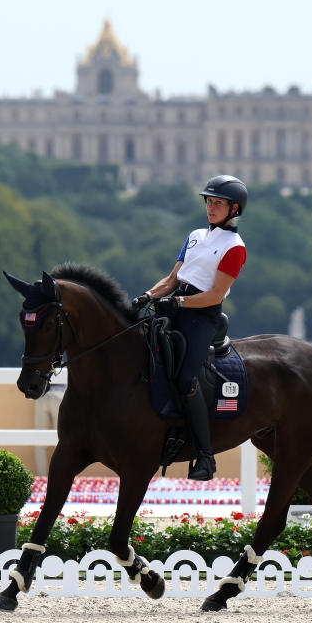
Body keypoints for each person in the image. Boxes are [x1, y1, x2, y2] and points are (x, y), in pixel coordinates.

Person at [132, 175, 248, 481]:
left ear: (233, 209)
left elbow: (214, 295)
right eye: (209, 201)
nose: (210, 207)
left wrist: (179, 305)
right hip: (176, 304)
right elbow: (172, 280)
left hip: (202, 315)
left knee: (186, 378)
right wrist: (147, 295)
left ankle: (205, 456)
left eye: (218, 203)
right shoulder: (196, 235)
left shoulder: (235, 247)